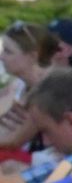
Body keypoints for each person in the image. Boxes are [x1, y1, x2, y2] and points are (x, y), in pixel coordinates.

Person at [0, 20, 60, 157]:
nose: (1, 57)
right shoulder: (20, 83)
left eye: (8, 52)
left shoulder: (48, 90)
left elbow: (14, 141)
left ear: (33, 56)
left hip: (45, 160)